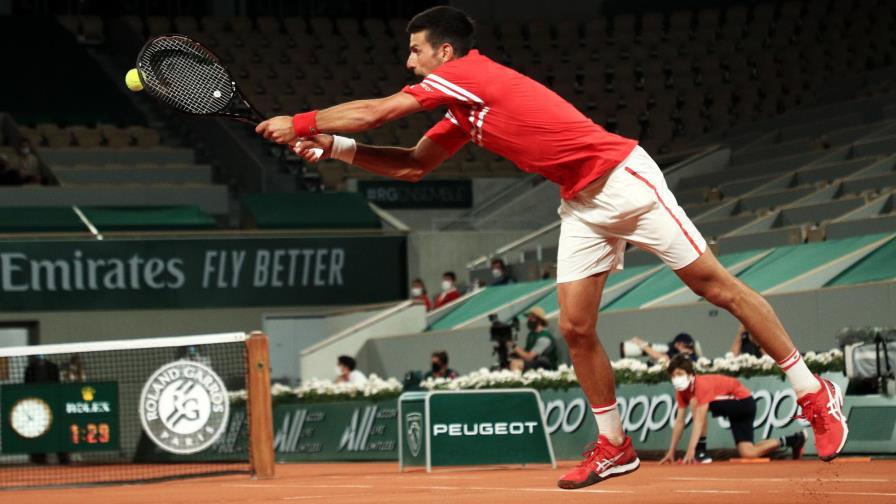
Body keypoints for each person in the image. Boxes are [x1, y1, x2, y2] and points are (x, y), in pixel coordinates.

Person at [254, 5, 847, 488]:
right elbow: (414, 165)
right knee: (576, 326)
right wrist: (334, 149)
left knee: (712, 286)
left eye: (415, 50)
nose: (407, 60)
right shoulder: (463, 106)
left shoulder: (470, 73)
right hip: (582, 204)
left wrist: (302, 122)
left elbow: (382, 112)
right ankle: (615, 445)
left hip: (622, 178)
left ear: (445, 53)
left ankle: (812, 393)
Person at [659, 355, 807, 464]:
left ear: (690, 374)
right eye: (673, 376)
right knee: (748, 453)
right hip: (741, 408)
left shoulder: (700, 386)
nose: (676, 378)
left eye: (679, 374)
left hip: (742, 402)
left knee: (695, 403)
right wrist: (671, 451)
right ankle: (794, 439)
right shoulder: (681, 390)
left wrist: (691, 450)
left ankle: (700, 451)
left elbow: (698, 420)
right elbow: (679, 422)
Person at [23, 355, 70, 465]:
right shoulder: (29, 369)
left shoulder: (53, 368)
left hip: (53, 402)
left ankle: (62, 457)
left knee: (58, 430)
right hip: (36, 405)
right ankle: (38, 457)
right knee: (37, 431)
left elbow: (57, 383)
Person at [510, 307, 558, 371]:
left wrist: (513, 345)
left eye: (531, 317)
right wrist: (515, 353)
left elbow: (529, 357)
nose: (528, 320)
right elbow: (526, 352)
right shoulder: (531, 335)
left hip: (545, 366)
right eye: (529, 317)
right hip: (535, 363)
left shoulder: (544, 337)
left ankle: (517, 381)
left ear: (539, 320)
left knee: (516, 364)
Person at [629, 332, 698, 363]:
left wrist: (641, 344)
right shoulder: (680, 354)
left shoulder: (687, 355)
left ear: (681, 344)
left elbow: (659, 356)